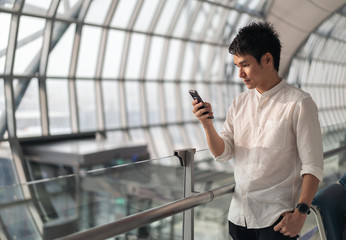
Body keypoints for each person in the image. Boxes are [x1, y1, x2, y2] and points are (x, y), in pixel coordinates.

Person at [192, 22, 324, 240]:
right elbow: (222, 153)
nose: (240, 74)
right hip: (238, 218)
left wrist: (300, 213)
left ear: (268, 59)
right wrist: (207, 124)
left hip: (276, 221)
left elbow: (312, 165)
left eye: (244, 65)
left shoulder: (299, 103)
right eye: (236, 66)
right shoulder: (239, 103)